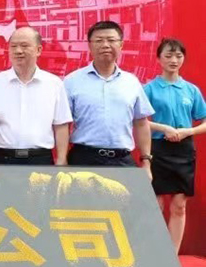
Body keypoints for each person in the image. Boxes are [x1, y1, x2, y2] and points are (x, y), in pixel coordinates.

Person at [64, 20, 155, 173]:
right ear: (89, 45)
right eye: (99, 40)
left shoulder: (131, 82)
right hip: (83, 159)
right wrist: (62, 159)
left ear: (121, 45)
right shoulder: (72, 81)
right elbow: (63, 124)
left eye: (111, 40)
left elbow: (141, 123)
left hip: (122, 160)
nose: (105, 45)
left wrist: (146, 162)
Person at [144, 38, 206, 252]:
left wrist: (188, 131)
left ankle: (173, 256)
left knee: (179, 205)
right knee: (156, 204)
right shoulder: (149, 89)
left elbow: (204, 121)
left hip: (184, 150)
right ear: (158, 59)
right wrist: (163, 128)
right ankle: (154, 253)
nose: (174, 60)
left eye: (178, 56)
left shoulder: (191, 90)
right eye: (168, 55)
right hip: (157, 149)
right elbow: (139, 121)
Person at [0, 27, 73, 165]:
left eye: (24, 46)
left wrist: (62, 159)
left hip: (41, 159)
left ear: (39, 50)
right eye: (13, 46)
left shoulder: (54, 84)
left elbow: (61, 125)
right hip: (3, 159)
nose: (18, 51)